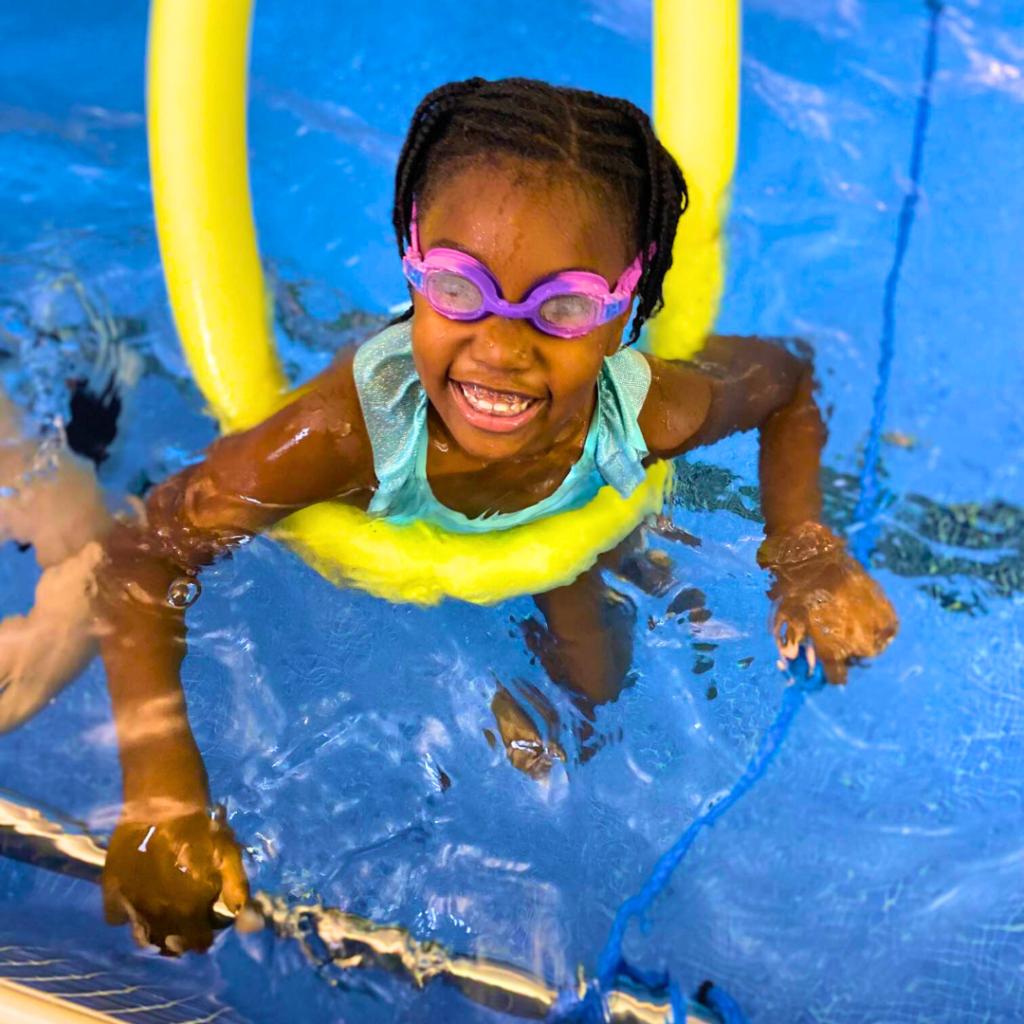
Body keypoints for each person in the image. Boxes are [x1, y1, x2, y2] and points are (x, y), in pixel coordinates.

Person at [95, 78, 897, 953]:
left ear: (624, 306)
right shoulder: (339, 438)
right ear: (412, 257)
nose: (502, 348)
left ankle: (586, 618)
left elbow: (790, 380)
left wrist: (804, 551)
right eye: (458, 286)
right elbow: (143, 555)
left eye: (563, 308)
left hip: (567, 525)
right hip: (396, 539)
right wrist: (162, 789)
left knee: (597, 695)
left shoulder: (651, 412)